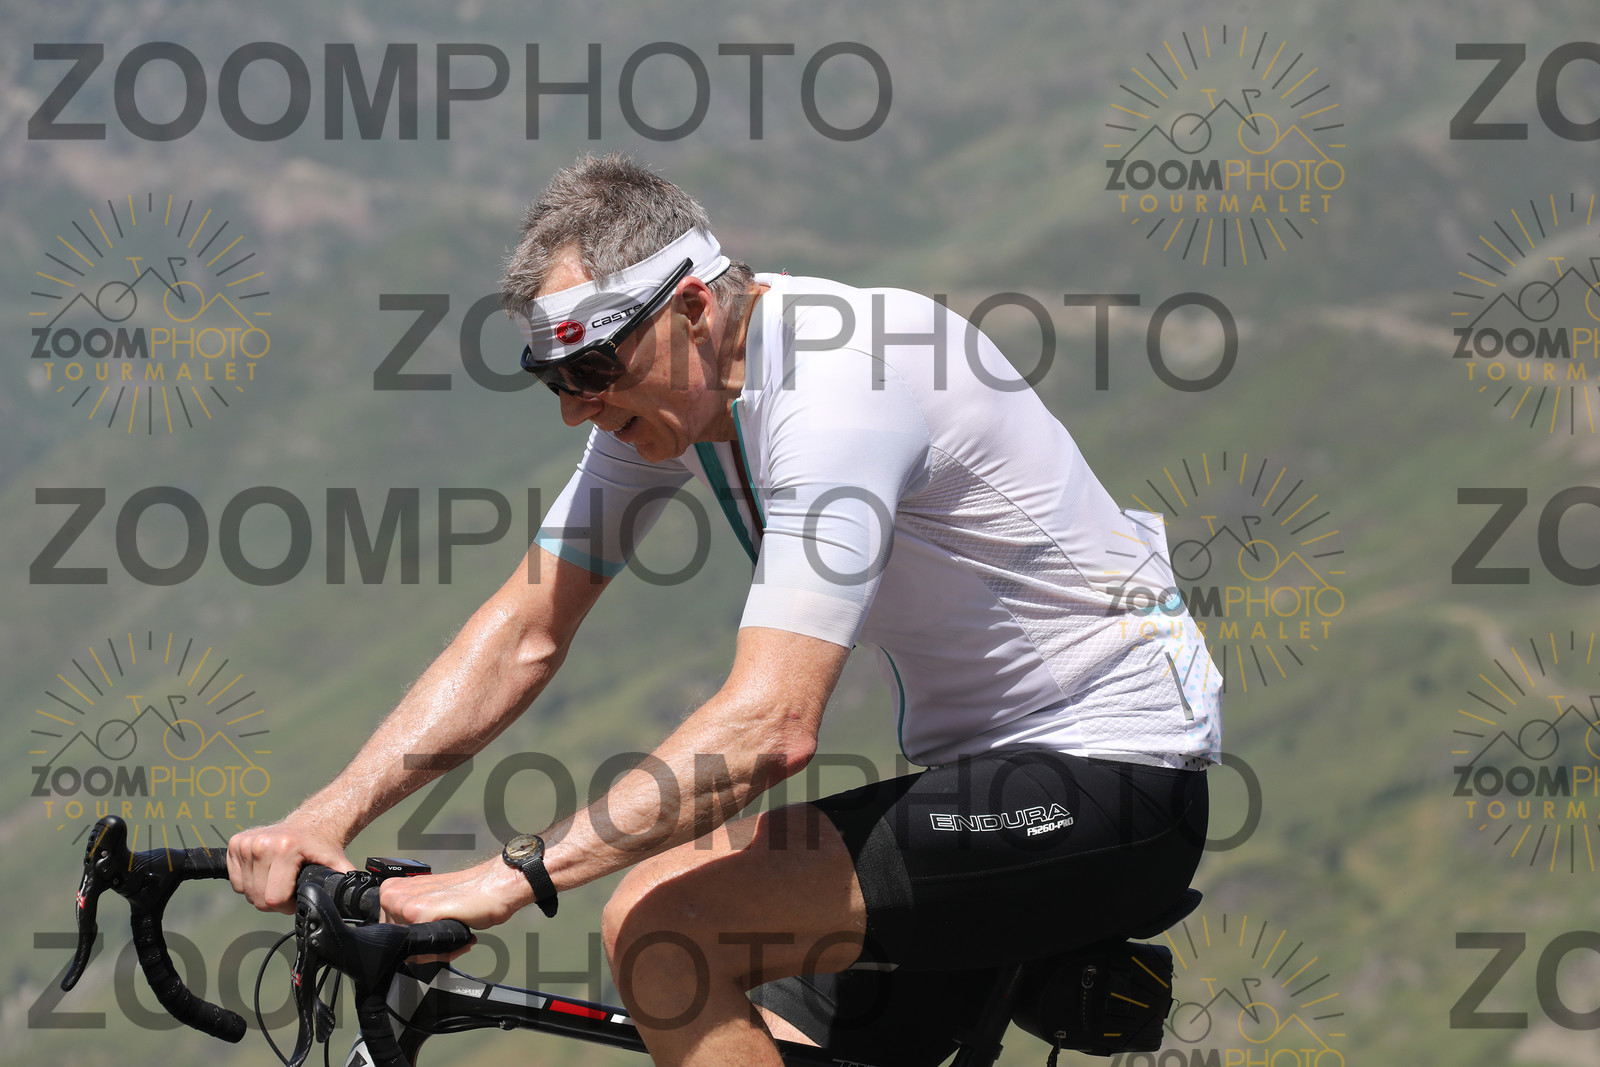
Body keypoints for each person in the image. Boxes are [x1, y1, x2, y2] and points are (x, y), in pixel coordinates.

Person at [228, 153, 1221, 1067]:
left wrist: (510, 875)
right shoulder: (679, 394)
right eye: (553, 379)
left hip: (1115, 781)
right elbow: (527, 629)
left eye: (592, 369)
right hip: (979, 779)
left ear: (694, 308)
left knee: (667, 928)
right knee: (755, 1030)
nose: (575, 406)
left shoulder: (840, 385)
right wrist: (326, 815)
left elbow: (770, 724)